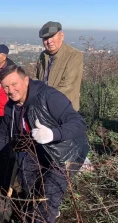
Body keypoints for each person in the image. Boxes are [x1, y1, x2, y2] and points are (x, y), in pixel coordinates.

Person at [0, 65, 89, 223]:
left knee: (48, 199)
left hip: (64, 153)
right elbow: (4, 133)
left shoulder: (48, 96)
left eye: (14, 84)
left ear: (26, 80)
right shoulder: (11, 106)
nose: (11, 90)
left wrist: (53, 134)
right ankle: (32, 211)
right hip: (35, 150)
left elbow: (78, 123)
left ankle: (43, 219)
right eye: (6, 87)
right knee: (27, 182)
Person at [36, 21, 93, 171]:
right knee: (54, 146)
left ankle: (81, 168)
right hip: (46, 111)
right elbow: (38, 80)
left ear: (61, 35)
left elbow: (67, 86)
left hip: (65, 109)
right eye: (45, 39)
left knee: (70, 142)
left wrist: (40, 100)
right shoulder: (43, 56)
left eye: (52, 36)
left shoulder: (73, 56)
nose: (49, 41)